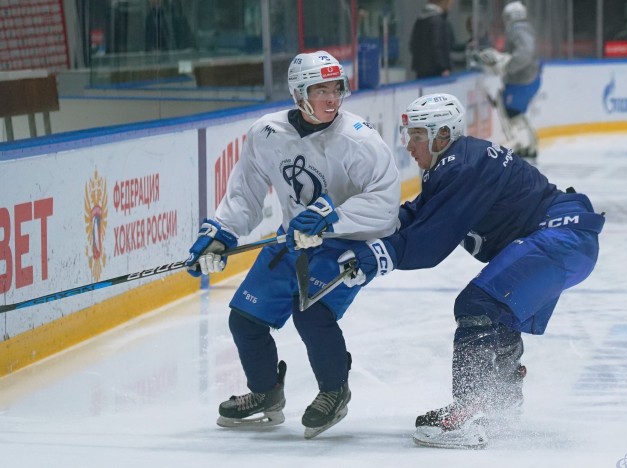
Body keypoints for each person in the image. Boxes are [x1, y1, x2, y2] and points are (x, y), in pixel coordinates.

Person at [336, 93, 604, 449]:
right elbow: (418, 214)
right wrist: (361, 226)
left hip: (561, 237)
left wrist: (376, 256)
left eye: (417, 135)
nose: (409, 145)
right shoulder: (456, 163)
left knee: (476, 304)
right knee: (499, 312)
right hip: (567, 238)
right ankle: (501, 403)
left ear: (442, 135)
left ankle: (466, 412)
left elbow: (430, 241)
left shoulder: (461, 166)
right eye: (408, 134)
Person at [184, 51, 400, 439]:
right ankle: (266, 393)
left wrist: (331, 217)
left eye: (336, 88)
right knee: (245, 320)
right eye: (321, 90)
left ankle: (334, 390)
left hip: (344, 245)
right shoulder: (266, 133)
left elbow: (386, 205)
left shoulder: (359, 139)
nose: (332, 98)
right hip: (293, 241)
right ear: (299, 93)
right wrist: (221, 232)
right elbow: (244, 195)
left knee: (311, 314)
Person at [475, 1, 542, 159]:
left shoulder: (518, 29)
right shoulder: (526, 28)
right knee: (517, 114)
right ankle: (530, 146)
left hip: (521, 80)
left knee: (513, 115)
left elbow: (524, 53)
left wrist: (507, 65)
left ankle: (524, 146)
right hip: (527, 78)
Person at [409, 0, 455, 78]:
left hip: (421, 70)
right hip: (435, 72)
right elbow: (436, 47)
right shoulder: (437, 21)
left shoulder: (421, 19)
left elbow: (412, 44)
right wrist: (443, 68)